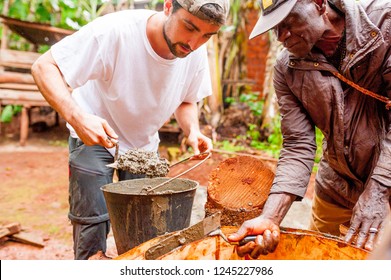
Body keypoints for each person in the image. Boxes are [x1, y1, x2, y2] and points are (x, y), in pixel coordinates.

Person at [31, 0, 230, 260]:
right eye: (189, 27)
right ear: (168, 7)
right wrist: (78, 118)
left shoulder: (194, 52)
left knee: (146, 233)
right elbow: (44, 67)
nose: (194, 43)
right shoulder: (115, 32)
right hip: (94, 136)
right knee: (92, 223)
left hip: (143, 148)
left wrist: (192, 130)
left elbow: (186, 99)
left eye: (206, 35)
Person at [227, 0, 391, 258]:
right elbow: (297, 145)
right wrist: (270, 218)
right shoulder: (286, 68)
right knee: (321, 260)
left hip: (387, 186)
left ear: (318, 3)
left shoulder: (385, 23)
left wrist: (380, 190)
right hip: (336, 190)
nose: (281, 37)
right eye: (275, 28)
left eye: (287, 22)